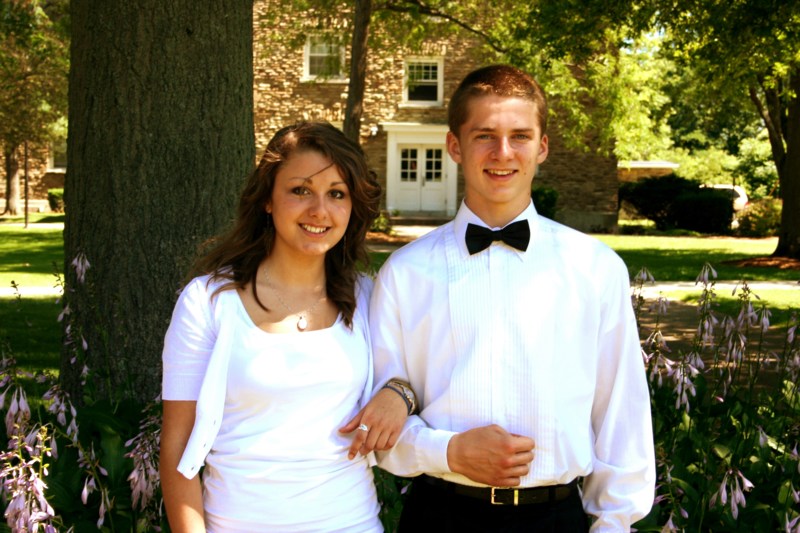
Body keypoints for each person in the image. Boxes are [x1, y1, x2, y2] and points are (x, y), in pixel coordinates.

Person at [370, 65, 656, 531]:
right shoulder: (404, 274)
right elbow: (379, 415)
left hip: (556, 519)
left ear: (542, 146)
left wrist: (614, 522)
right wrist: (448, 451)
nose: (502, 153)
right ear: (455, 146)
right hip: (440, 516)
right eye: (484, 135)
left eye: (520, 136)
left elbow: (620, 411)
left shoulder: (595, 268)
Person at [159, 121, 415, 532]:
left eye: (337, 194)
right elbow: (176, 447)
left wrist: (400, 395)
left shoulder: (369, 298)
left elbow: (415, 377)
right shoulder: (208, 301)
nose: (319, 210)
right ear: (267, 199)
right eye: (300, 190)